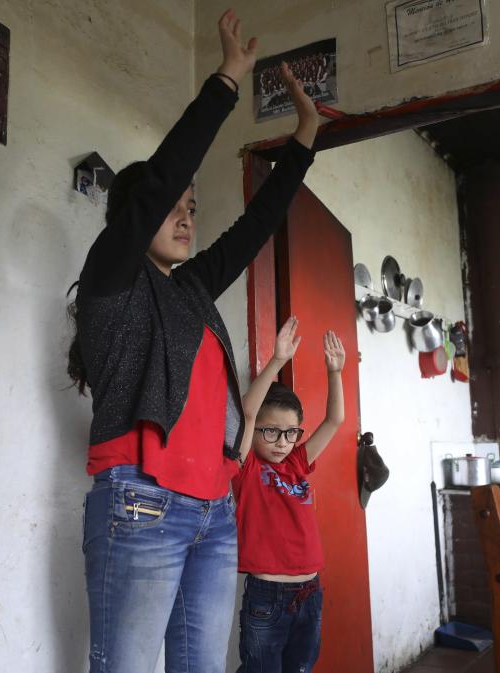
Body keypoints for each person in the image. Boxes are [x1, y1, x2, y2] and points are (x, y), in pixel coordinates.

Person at [67, 10, 320, 673]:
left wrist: (305, 139)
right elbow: (157, 180)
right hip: (141, 500)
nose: (185, 215)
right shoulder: (112, 278)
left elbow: (255, 225)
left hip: (213, 510)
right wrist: (226, 82)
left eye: (191, 207)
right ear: (134, 219)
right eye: (171, 207)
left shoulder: (193, 291)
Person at [232, 317, 346, 673]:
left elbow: (335, 420)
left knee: (300, 668)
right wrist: (279, 360)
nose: (282, 442)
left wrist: (335, 372)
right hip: (267, 596)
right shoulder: (246, 466)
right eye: (271, 432)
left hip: (310, 591)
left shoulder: (298, 462)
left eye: (291, 433)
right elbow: (247, 411)